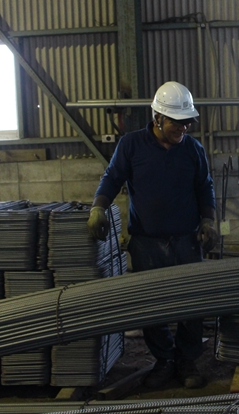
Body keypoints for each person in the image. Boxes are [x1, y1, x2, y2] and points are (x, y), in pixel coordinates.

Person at [87, 81, 219, 389]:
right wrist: (98, 208)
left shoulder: (192, 149)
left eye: (187, 122)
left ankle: (186, 360)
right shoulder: (131, 146)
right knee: (152, 307)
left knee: (191, 305)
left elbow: (205, 187)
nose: (183, 128)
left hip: (186, 242)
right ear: (157, 117)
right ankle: (165, 360)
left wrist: (208, 221)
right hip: (146, 243)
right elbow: (111, 179)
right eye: (177, 122)